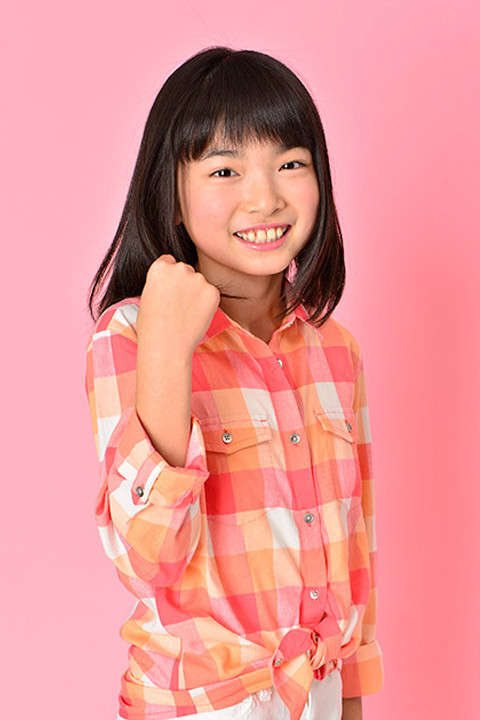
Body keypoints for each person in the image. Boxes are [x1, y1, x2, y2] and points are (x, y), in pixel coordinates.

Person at [84, 46, 384, 720]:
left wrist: (351, 698)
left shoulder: (337, 351)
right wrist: (168, 350)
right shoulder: (128, 337)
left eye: (290, 164)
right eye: (225, 169)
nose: (265, 197)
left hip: (318, 691)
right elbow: (149, 558)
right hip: (199, 705)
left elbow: (358, 545)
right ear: (172, 194)